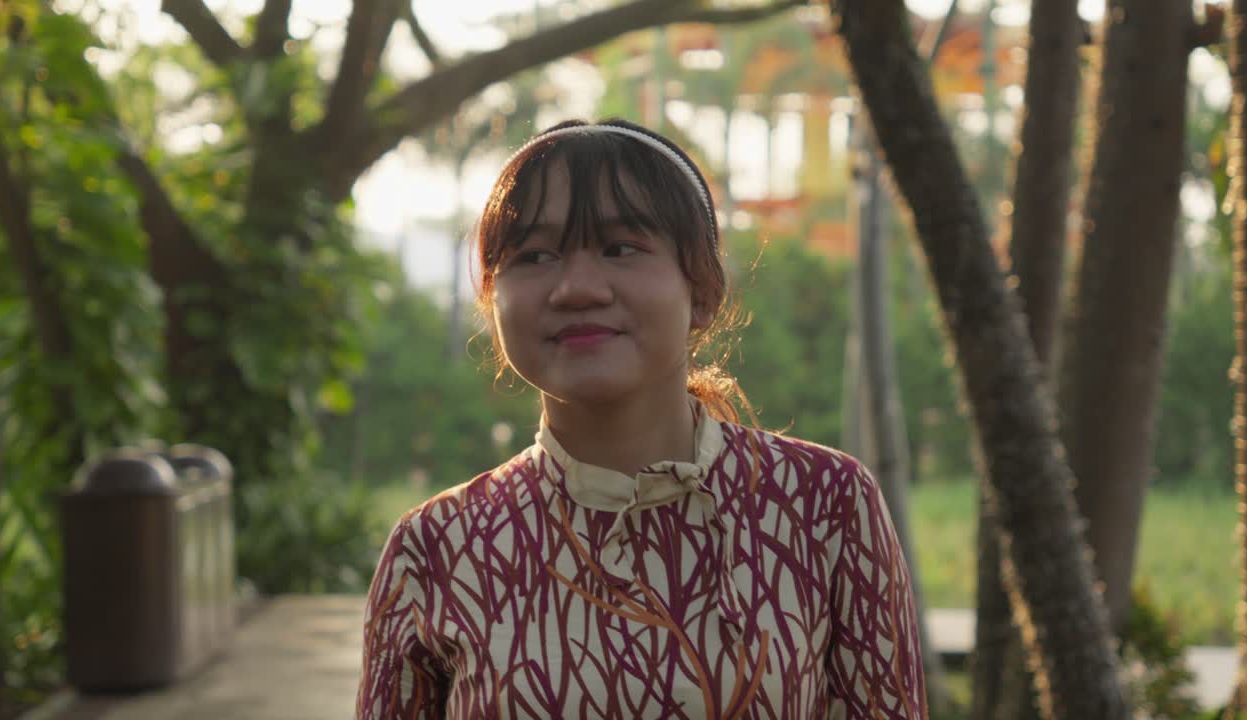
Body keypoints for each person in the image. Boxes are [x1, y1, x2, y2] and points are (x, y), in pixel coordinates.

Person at [357, 118, 926, 719]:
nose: (576, 288)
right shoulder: (438, 546)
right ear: (492, 301)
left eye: (620, 248)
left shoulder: (824, 505)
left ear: (703, 290)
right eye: (535, 255)